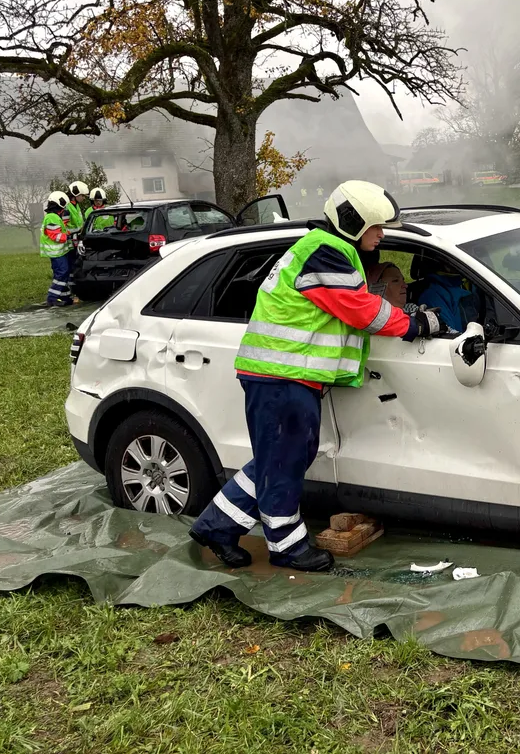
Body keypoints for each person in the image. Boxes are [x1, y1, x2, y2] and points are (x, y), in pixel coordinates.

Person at [188, 181, 444, 573]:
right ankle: (287, 548)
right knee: (285, 461)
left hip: (281, 375)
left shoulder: (322, 248)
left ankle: (217, 527)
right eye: (376, 227)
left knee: (280, 459)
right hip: (282, 376)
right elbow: (362, 311)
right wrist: (415, 324)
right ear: (353, 223)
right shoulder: (328, 253)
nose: (381, 235)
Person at [40, 191, 76, 307]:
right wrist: (69, 237)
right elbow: (56, 236)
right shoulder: (52, 217)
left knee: (63, 274)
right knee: (62, 273)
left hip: (59, 252)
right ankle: (52, 298)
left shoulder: (54, 216)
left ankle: (64, 297)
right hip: (56, 253)